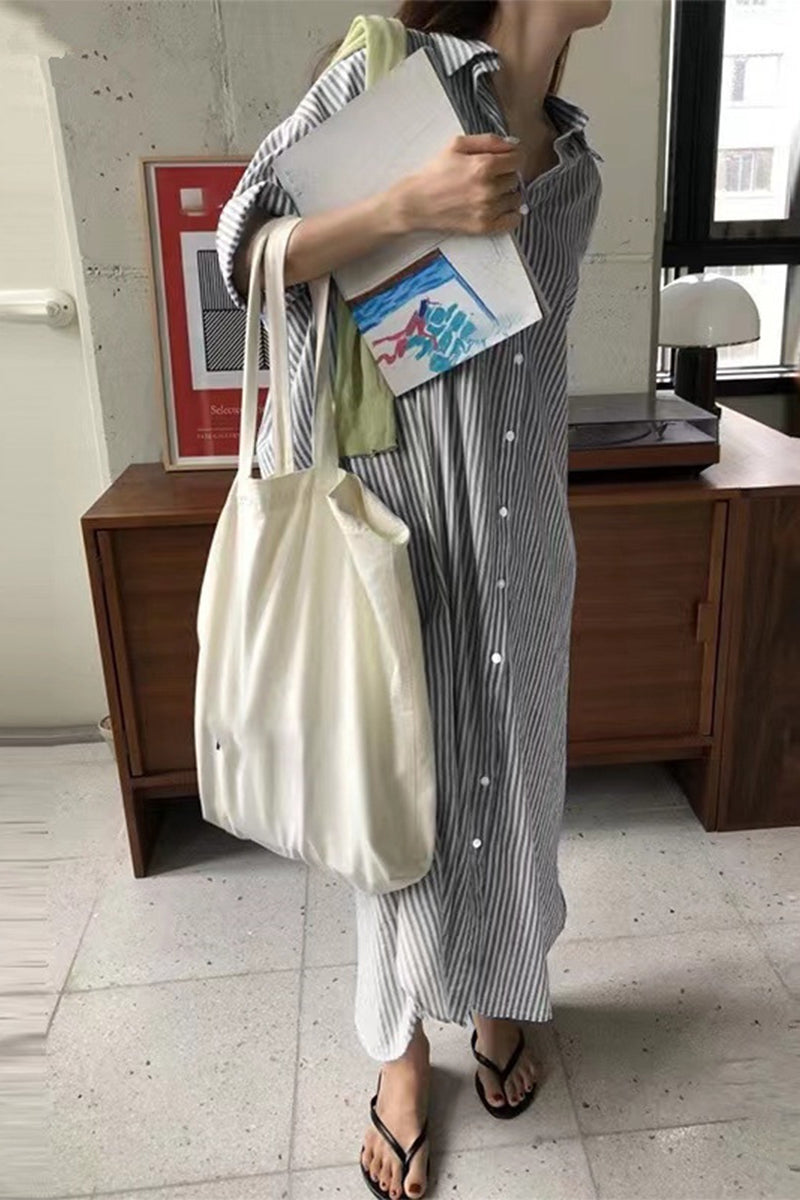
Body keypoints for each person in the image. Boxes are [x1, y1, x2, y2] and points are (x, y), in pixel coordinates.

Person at [216, 1, 611, 1196]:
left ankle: (496, 995)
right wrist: (402, 206)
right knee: (394, 799)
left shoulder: (575, 165)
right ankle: (398, 1055)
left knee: (515, 784)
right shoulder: (385, 77)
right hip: (397, 533)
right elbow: (244, 247)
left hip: (521, 542)